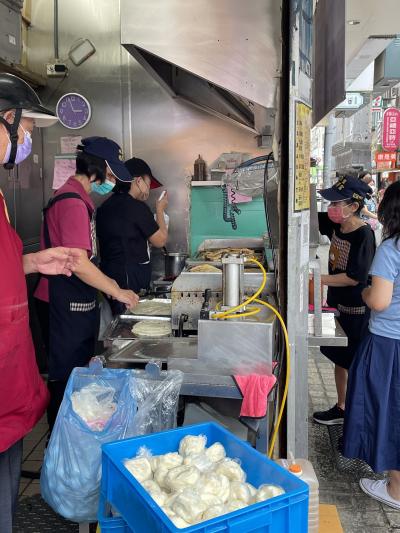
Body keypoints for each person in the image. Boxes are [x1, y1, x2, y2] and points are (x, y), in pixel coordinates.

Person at [0, 72, 82, 533]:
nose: (27, 144)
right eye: (27, 131)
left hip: (10, 388)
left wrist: (31, 262)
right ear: (7, 119)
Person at [34, 137, 139, 430]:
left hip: (74, 302)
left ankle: (72, 437)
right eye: (112, 173)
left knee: (76, 375)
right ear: (98, 169)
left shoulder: (81, 198)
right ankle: (60, 445)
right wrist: (116, 291)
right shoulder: (71, 201)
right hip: (60, 303)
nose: (113, 181)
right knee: (65, 379)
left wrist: (109, 284)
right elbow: (78, 262)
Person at [343, 181, 400, 510]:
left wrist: (365, 292)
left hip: (389, 344)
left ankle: (396, 489)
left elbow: (379, 301)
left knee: (388, 409)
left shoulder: (392, 248)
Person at [313, 175, 376, 425]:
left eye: (337, 203)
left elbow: (354, 277)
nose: (331, 208)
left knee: (355, 363)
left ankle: (358, 416)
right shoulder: (335, 224)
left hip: (356, 310)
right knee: (340, 360)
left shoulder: (364, 235)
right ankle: (342, 407)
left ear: (353, 207)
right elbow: (305, 217)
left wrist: (318, 279)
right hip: (336, 305)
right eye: (330, 203)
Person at [96, 157, 168, 315]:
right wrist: (160, 209)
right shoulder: (137, 207)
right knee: (131, 318)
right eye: (148, 183)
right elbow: (160, 240)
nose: (148, 189)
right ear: (139, 181)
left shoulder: (104, 206)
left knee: (116, 319)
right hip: (129, 276)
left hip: (108, 276)